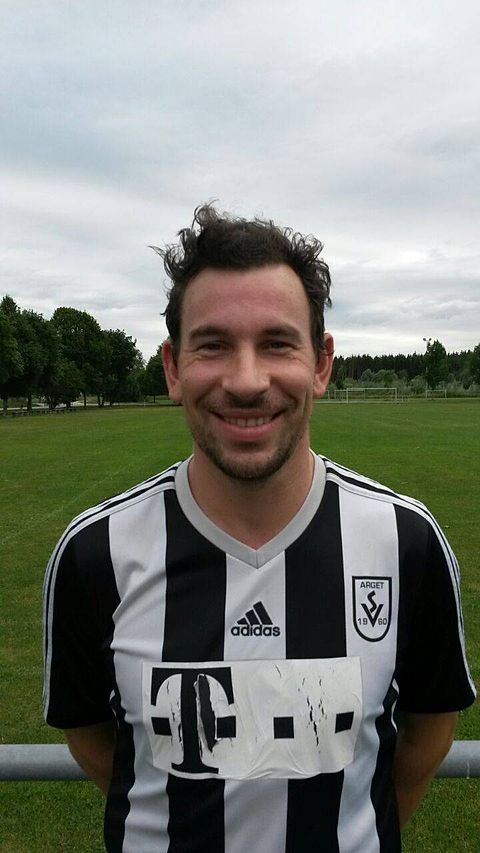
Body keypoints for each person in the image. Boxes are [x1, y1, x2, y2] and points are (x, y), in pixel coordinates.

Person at [43, 204, 476, 852]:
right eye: (213, 345)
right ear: (172, 367)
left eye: (277, 343)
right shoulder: (94, 553)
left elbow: (429, 732)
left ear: (322, 363)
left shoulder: (404, 542)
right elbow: (93, 739)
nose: (246, 381)